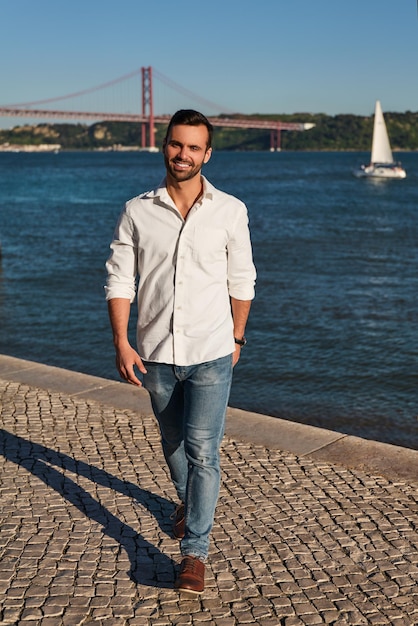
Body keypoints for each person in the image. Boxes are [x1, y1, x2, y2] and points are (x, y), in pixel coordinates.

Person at [105, 109, 256, 595]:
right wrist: (122, 341)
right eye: (176, 144)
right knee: (173, 446)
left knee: (203, 452)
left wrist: (235, 338)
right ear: (164, 146)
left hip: (212, 350)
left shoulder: (230, 210)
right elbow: (119, 279)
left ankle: (195, 551)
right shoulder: (136, 210)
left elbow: (243, 279)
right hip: (155, 354)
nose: (183, 154)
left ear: (207, 154)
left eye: (194, 147)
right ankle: (187, 507)